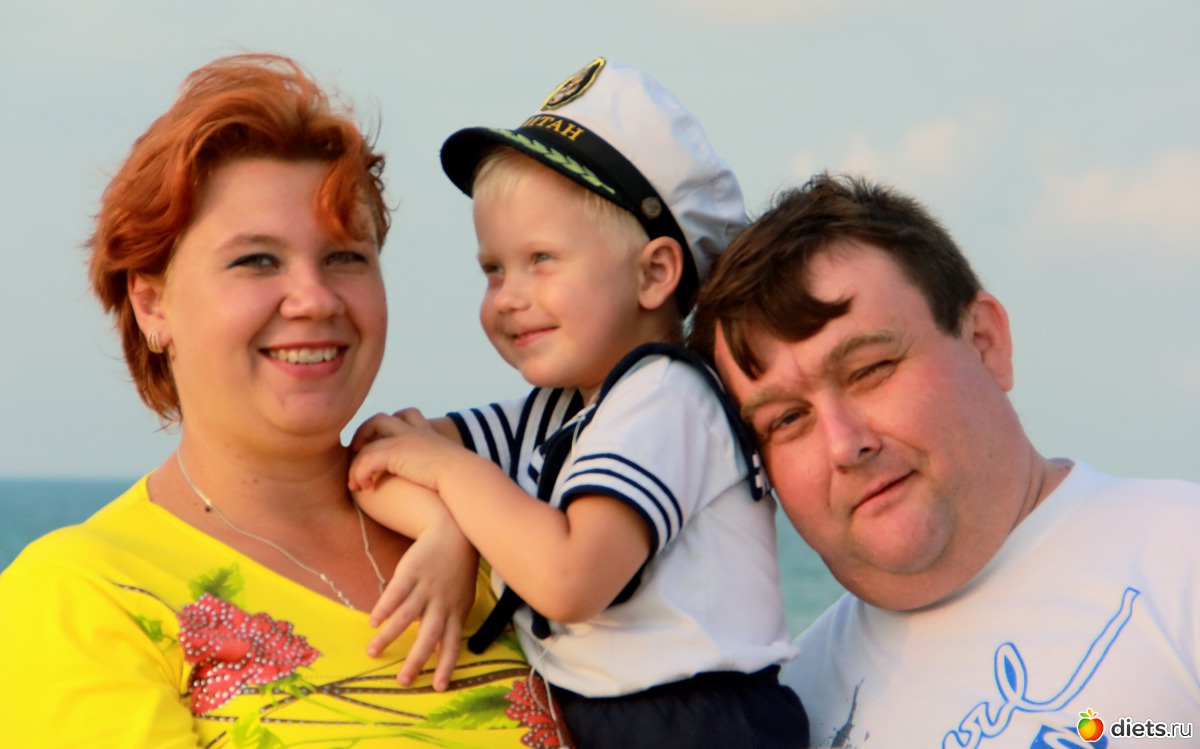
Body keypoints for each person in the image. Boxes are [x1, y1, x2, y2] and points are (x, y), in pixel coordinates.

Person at [0, 54, 539, 748]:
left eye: (345, 256)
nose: (314, 299)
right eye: (256, 260)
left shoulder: (506, 533)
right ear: (151, 302)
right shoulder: (83, 595)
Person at [349, 57, 808, 748]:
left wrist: (447, 473)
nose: (508, 296)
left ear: (654, 273)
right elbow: (377, 453)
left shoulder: (670, 397)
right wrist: (442, 528)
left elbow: (569, 578)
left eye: (541, 260)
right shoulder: (560, 409)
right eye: (493, 268)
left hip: (699, 723)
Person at [690, 172, 1200, 748]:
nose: (844, 444)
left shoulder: (1182, 561)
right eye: (786, 420)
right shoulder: (784, 716)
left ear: (984, 342)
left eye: (870, 370)